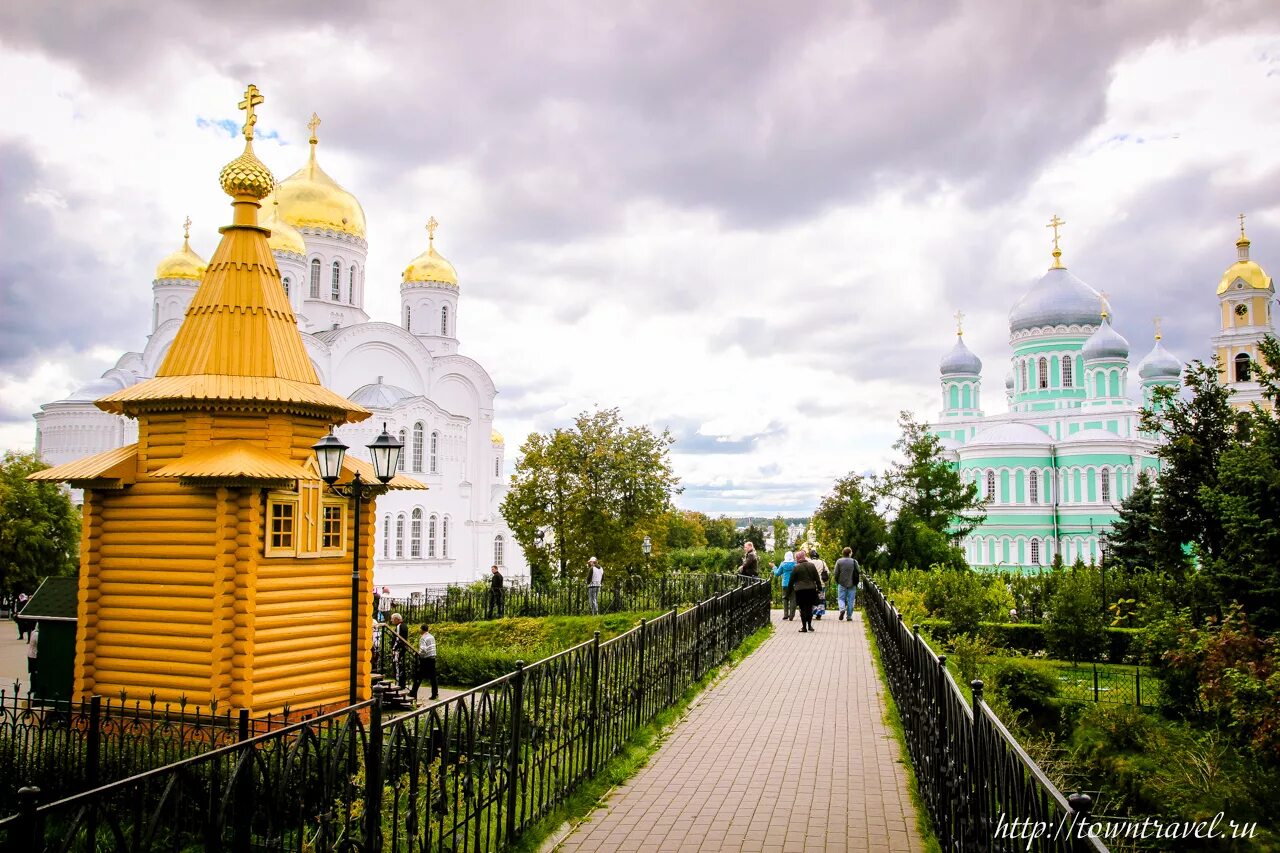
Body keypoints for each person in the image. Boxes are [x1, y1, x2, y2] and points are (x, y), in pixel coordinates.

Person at [790, 550, 821, 632]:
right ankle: (810, 626)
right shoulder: (811, 565)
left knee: (802, 608)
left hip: (800, 590)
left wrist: (789, 591)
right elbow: (817, 578)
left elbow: (791, 580)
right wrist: (819, 588)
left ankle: (804, 627)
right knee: (809, 608)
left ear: (797, 558)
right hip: (811, 589)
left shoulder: (796, 567)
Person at [412, 623, 439, 702]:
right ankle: (435, 694)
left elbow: (423, 649)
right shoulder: (431, 636)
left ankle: (413, 692)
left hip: (426, 659)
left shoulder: (423, 638)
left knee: (418, 676)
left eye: (420, 629)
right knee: (433, 677)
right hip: (432, 658)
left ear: (421, 629)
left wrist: (419, 654)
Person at [833, 547, 861, 622]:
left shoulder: (839, 561)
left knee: (841, 598)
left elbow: (835, 573)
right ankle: (849, 616)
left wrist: (837, 580)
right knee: (851, 600)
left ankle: (842, 609)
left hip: (841, 583)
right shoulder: (854, 561)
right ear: (849, 553)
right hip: (852, 583)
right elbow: (858, 571)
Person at [772, 550, 797, 620]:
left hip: (785, 584)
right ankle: (791, 616)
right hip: (793, 584)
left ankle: (785, 615)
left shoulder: (783, 564)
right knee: (793, 600)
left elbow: (777, 574)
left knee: (785, 598)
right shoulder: (795, 564)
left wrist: (774, 567)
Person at [390, 613, 410, 689]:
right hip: (402, 648)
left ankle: (399, 684)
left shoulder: (399, 626)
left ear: (396, 619)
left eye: (392, 619)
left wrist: (393, 649)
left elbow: (398, 639)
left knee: (397, 666)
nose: (392, 621)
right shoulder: (405, 626)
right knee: (401, 665)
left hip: (398, 649)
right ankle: (402, 683)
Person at [809, 548, 830, 619]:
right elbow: (828, 571)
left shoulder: (809, 562)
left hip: (811, 583)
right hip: (821, 583)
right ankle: (819, 614)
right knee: (820, 599)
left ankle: (811, 612)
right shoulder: (822, 562)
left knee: (811, 598)